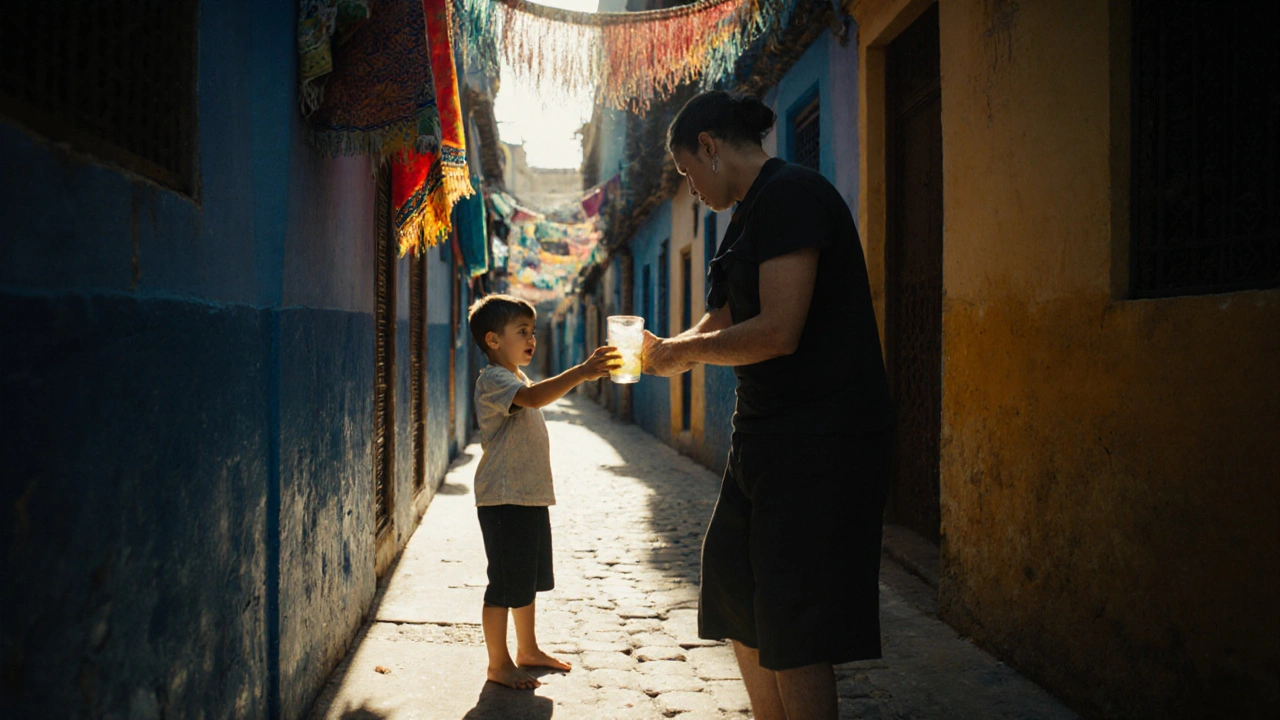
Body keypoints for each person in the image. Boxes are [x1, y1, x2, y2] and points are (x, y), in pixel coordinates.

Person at [642, 91, 894, 720]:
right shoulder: (745, 218)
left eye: (687, 172)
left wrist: (683, 356)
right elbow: (726, 315)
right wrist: (667, 349)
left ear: (710, 146)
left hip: (820, 437)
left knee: (794, 617)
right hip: (763, 435)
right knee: (734, 587)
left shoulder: (791, 197)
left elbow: (780, 329)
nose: (691, 187)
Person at [467, 293, 620, 690]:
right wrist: (582, 372)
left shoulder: (516, 376)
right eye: (522, 332)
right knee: (503, 583)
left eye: (532, 331)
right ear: (493, 340)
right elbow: (535, 400)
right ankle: (498, 664)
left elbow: (535, 394)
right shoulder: (494, 380)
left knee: (527, 579)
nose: (531, 338)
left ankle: (528, 649)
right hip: (503, 498)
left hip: (529, 495)